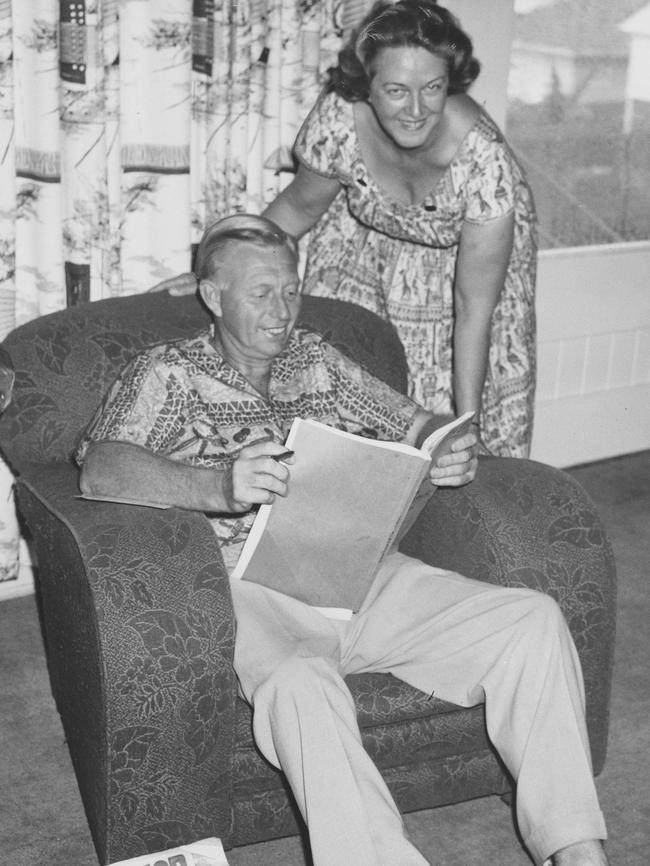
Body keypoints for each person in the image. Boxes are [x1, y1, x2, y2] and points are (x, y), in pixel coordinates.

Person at [77, 215, 607, 866]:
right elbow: (100, 468)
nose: (283, 311)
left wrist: (446, 449)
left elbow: (420, 423)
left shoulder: (319, 360)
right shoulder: (167, 372)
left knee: (532, 620)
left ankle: (577, 850)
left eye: (291, 290)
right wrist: (217, 486)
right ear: (214, 297)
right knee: (301, 682)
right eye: (262, 293)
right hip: (246, 581)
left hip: (358, 566)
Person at [154, 1, 537, 459]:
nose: (416, 109)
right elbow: (296, 209)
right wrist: (216, 270)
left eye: (433, 87)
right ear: (366, 86)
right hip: (363, 246)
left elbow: (472, 307)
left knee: (448, 441)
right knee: (343, 402)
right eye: (396, 90)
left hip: (464, 271)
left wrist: (466, 429)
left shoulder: (485, 162)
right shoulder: (339, 118)